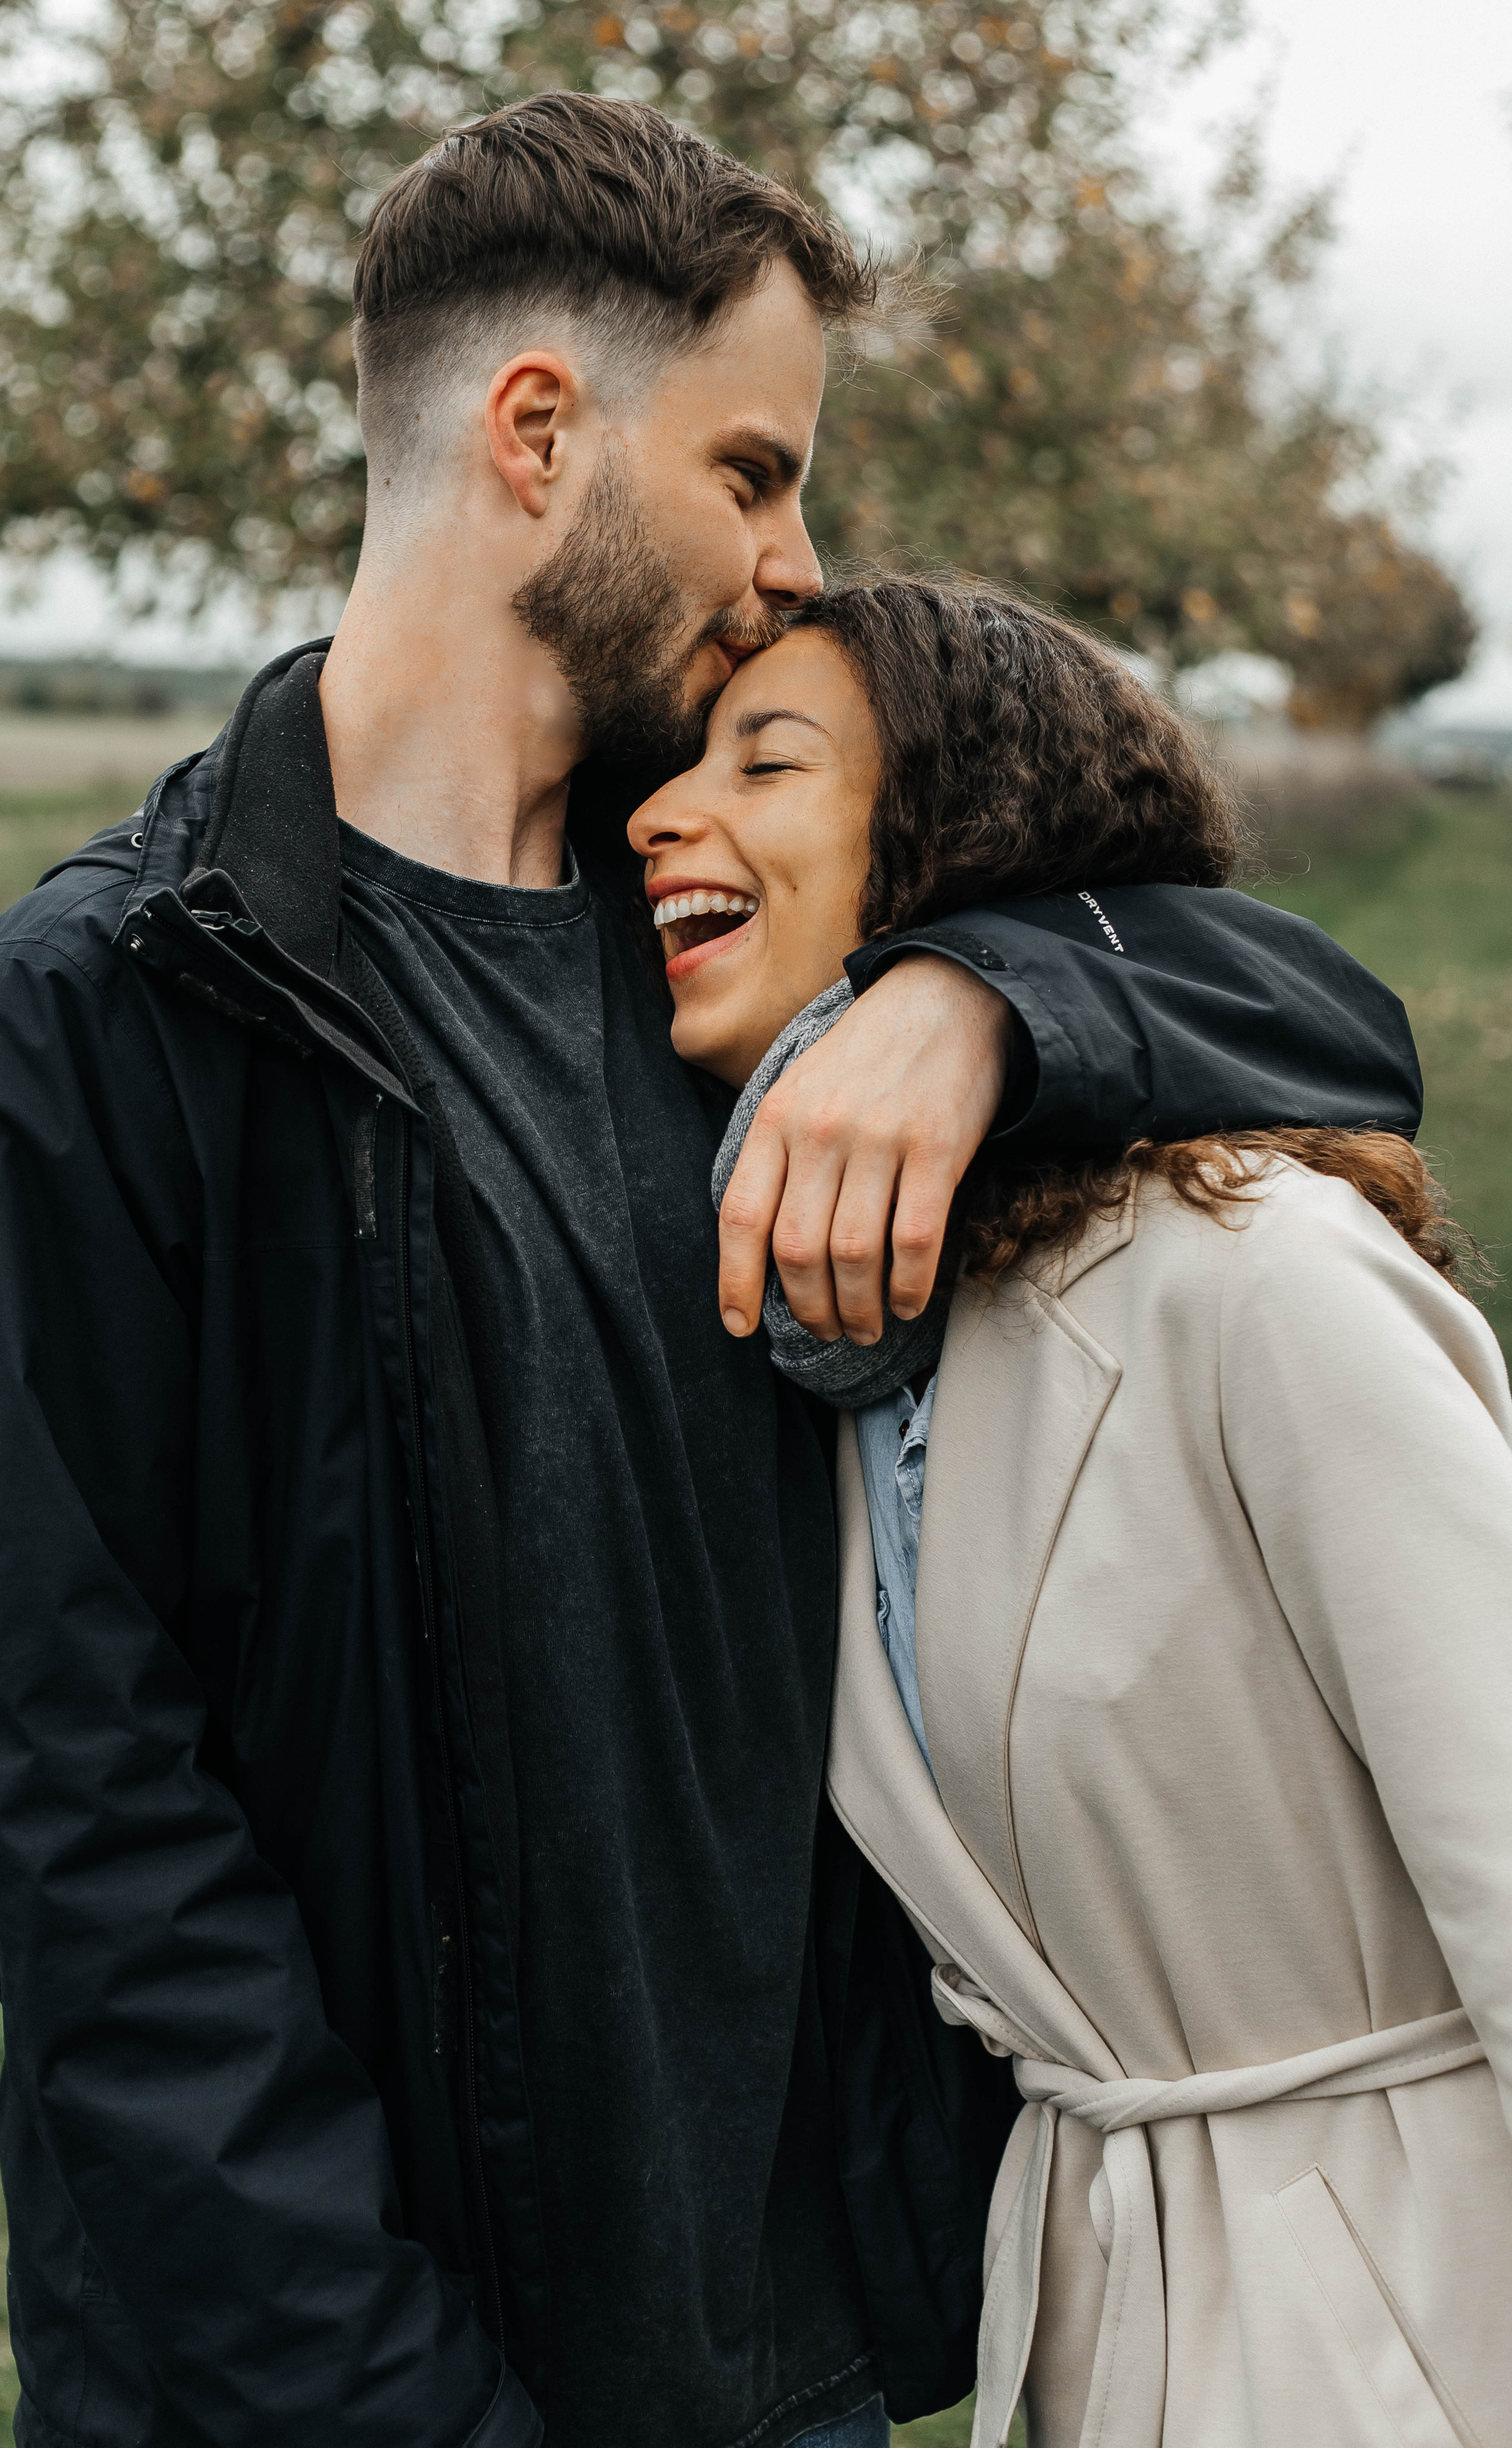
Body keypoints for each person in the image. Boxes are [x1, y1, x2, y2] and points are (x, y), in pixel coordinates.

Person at [0, 96, 1425, 2448]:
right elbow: (88, 1833)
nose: (798, 563)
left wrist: (982, 1001)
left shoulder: (707, 937)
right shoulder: (105, 1014)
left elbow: (1326, 1012)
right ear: (536, 436)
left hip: (779, 2357)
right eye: (752, 471)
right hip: (367, 2385)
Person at [630, 572, 1512, 2447]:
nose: (659, 813)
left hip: (1420, 2310)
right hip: (1100, 2309)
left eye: (764, 762)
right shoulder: (849, 1353)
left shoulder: (1258, 1279)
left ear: (953, 845)